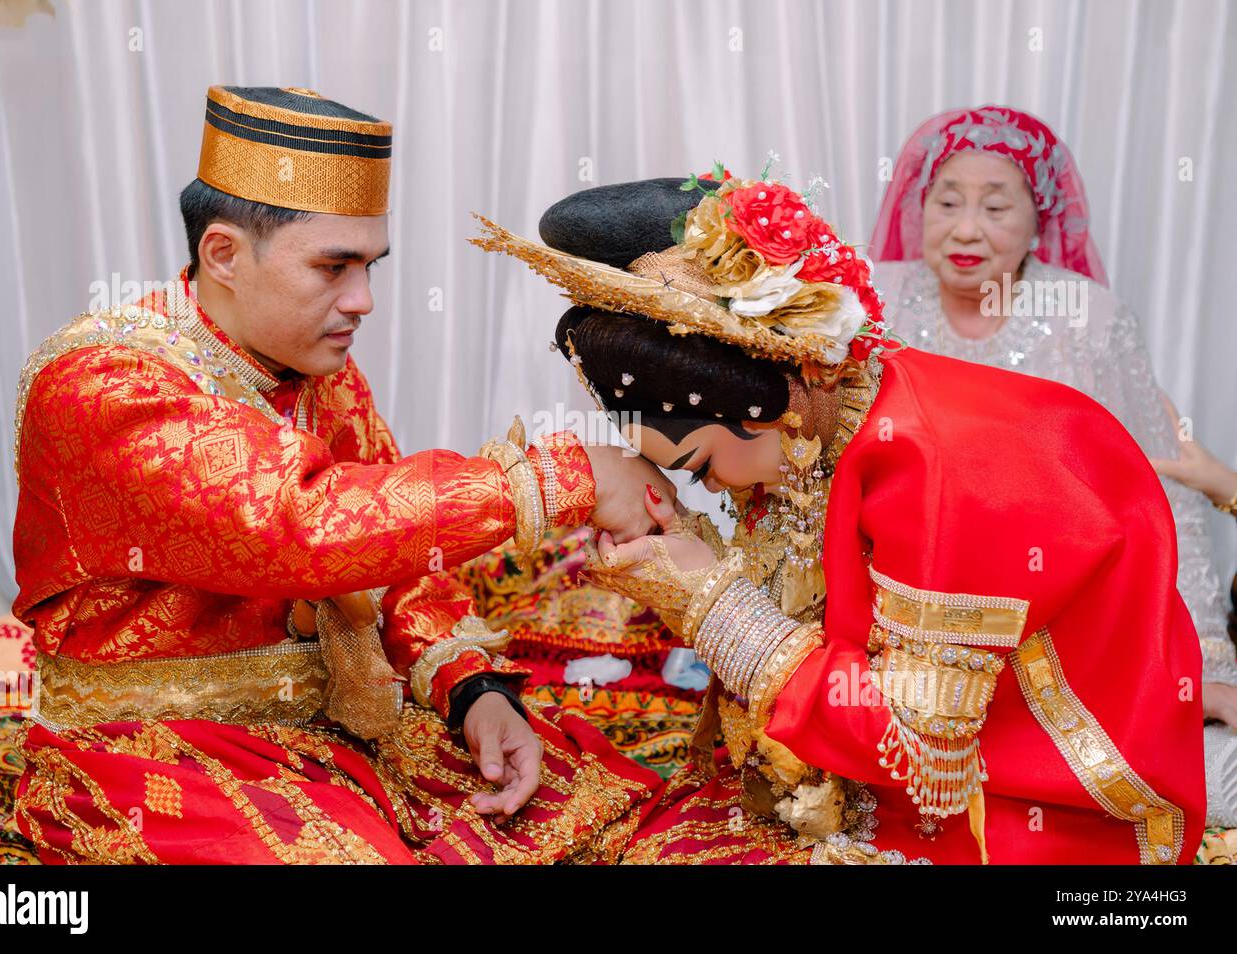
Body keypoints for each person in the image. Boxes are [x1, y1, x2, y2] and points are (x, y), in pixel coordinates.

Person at [10, 86, 668, 864]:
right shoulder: (105, 383)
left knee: (599, 803)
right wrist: (560, 478)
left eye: (371, 266)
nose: (364, 301)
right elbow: (304, 527)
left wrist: (470, 689)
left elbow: (386, 558)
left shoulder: (308, 366)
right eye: (334, 267)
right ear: (222, 254)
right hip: (157, 747)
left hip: (330, 719)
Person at [473, 166, 1206, 863]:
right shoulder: (830, 424)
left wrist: (709, 606)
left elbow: (925, 759)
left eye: (698, 466)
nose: (714, 493)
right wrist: (688, 553)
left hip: (1036, 799)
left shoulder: (937, 469)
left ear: (775, 408)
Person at [870, 105, 1237, 826]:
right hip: (907, 609)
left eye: (996, 205)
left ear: (1040, 221)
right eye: (947, 201)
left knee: (1191, 790)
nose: (967, 227)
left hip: (1059, 612)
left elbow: (1158, 495)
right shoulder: (878, 300)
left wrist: (1205, 667)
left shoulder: (1088, 318)